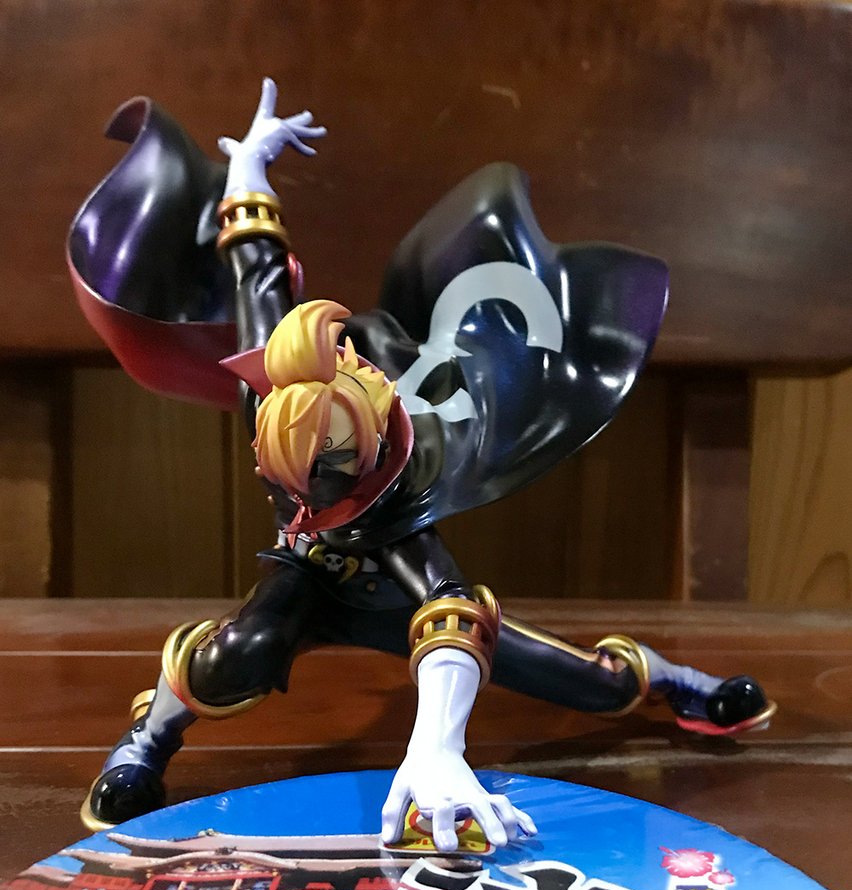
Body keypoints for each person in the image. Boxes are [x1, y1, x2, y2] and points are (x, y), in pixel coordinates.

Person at [70, 81, 775, 851]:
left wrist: (436, 748)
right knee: (240, 650)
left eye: (326, 480)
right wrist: (248, 172)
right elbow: (258, 273)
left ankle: (676, 682)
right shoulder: (276, 393)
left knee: (593, 682)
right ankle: (146, 739)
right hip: (307, 577)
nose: (307, 500)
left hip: (391, 590)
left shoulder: (406, 490)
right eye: (288, 480)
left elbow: (448, 613)